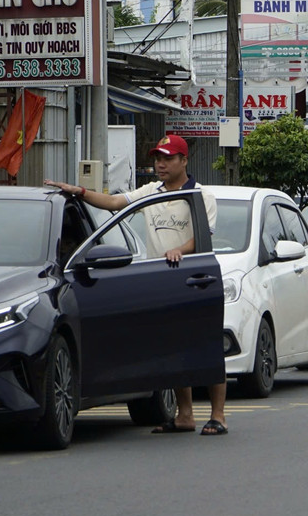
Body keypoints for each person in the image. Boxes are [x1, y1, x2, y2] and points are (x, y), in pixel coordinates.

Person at [46, 134, 228, 436]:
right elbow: (115, 203)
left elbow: (203, 237)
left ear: (184, 161)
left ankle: (219, 415)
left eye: (168, 158)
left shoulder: (200, 196)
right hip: (162, 277)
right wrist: (78, 191)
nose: (160, 164)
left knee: (205, 345)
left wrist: (180, 251)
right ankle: (185, 415)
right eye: (157, 158)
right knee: (173, 347)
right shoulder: (151, 191)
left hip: (193, 276)